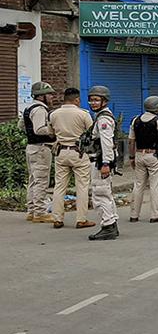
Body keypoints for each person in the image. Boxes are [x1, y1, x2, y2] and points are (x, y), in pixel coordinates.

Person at [49, 87, 94, 230]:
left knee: (59, 186)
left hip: (61, 152)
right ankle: (81, 219)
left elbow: (51, 133)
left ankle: (57, 219)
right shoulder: (83, 114)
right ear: (77, 100)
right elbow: (92, 133)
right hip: (79, 153)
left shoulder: (54, 114)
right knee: (82, 186)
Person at [129, 96, 158, 223]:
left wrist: (132, 157)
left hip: (139, 155)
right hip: (153, 156)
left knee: (138, 185)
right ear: (157, 108)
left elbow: (131, 141)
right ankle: (155, 214)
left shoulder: (135, 120)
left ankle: (134, 215)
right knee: (154, 186)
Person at [85, 86, 120, 241]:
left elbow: (106, 143)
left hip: (100, 161)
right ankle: (112, 224)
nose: (93, 102)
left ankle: (107, 227)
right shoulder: (100, 116)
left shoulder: (103, 119)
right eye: (91, 99)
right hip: (101, 160)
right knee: (106, 193)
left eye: (97, 100)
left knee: (100, 194)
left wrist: (106, 163)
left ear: (104, 101)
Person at [23, 81, 57, 223]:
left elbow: (22, 126)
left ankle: (31, 210)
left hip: (32, 147)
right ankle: (40, 212)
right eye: (49, 94)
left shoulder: (29, 108)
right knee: (41, 181)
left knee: (33, 180)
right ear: (41, 96)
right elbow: (39, 129)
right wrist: (53, 131)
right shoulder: (40, 110)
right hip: (41, 148)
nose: (51, 97)